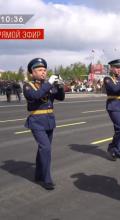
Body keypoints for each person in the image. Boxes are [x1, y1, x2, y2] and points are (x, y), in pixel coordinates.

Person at [23, 58, 65, 190]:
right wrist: (50, 84)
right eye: (40, 70)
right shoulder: (28, 86)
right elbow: (36, 96)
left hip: (49, 120)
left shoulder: (48, 84)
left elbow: (60, 98)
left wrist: (59, 86)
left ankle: (38, 174)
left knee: (43, 149)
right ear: (32, 73)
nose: (43, 72)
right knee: (46, 148)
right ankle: (47, 179)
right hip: (37, 122)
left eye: (45, 70)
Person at [104, 59, 120, 161]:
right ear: (111, 68)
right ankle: (111, 147)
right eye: (117, 67)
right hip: (113, 106)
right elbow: (115, 88)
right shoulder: (107, 78)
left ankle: (118, 151)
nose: (119, 69)